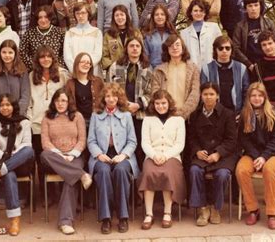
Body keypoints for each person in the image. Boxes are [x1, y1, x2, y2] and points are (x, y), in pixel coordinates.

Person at [87, 83, 139, 234]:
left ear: (119, 98)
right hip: (101, 155)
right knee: (103, 173)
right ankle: (106, 218)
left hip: (122, 155)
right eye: (108, 96)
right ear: (104, 98)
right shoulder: (96, 115)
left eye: (114, 96)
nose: (111, 99)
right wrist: (98, 154)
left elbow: (132, 141)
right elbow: (91, 140)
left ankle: (123, 216)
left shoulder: (126, 115)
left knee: (121, 171)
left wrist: (123, 155)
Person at [0, 94, 34, 236]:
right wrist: (6, 158)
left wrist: (12, 157)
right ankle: (14, 220)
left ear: (13, 106)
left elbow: (27, 144)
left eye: (8, 104)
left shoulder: (24, 123)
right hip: (1, 161)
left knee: (29, 150)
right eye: (2, 105)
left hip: (21, 162)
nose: (5, 107)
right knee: (8, 174)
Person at [40, 88, 92, 235]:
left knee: (71, 179)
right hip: (54, 158)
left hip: (74, 156)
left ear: (69, 102)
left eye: (63, 100)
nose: (60, 103)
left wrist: (72, 154)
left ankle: (65, 222)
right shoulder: (47, 118)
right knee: (44, 155)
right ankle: (82, 174)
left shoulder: (77, 116)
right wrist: (61, 156)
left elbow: (82, 140)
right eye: (57, 100)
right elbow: (45, 142)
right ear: (53, 102)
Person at [185, 83, 237, 226]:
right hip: (203, 154)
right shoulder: (195, 115)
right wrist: (197, 151)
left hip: (223, 156)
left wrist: (218, 153)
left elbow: (232, 140)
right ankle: (203, 209)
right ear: (201, 96)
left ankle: (215, 208)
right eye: (205, 94)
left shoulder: (227, 114)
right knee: (194, 170)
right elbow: (192, 137)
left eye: (212, 94)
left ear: (217, 96)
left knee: (222, 174)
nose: (208, 97)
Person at [235, 82, 275, 230]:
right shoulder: (245, 115)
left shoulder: (273, 114)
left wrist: (264, 157)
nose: (256, 99)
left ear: (265, 97)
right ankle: (253, 210)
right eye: (253, 96)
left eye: (260, 95)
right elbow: (244, 140)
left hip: (274, 154)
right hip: (253, 154)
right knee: (241, 170)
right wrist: (257, 156)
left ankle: (272, 213)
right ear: (249, 97)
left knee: (269, 170)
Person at [139, 90, 186, 230]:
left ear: (169, 103)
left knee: (167, 173)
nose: (161, 106)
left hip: (172, 156)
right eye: (157, 103)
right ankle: (149, 214)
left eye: (164, 103)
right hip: (152, 155)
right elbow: (145, 142)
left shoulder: (179, 120)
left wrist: (165, 156)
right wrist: (154, 156)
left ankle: (167, 212)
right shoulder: (148, 120)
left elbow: (179, 144)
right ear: (153, 104)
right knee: (148, 173)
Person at [27, 45, 69, 192]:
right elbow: (29, 102)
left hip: (57, 123)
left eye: (48, 56)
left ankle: (63, 190)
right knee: (41, 160)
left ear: (53, 58)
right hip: (37, 124)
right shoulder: (32, 76)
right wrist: (30, 119)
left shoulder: (62, 74)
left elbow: (67, 99)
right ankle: (47, 193)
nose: (46, 59)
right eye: (42, 57)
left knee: (60, 157)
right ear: (38, 60)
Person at [107, 36, 152, 167]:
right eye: (131, 46)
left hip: (140, 115)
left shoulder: (147, 68)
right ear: (126, 48)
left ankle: (139, 181)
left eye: (137, 46)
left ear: (141, 49)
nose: (134, 49)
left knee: (139, 149)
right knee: (122, 147)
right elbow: (109, 89)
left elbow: (152, 93)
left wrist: (138, 104)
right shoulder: (116, 67)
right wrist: (124, 104)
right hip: (120, 114)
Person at [232, 0, 275, 75]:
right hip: (249, 65)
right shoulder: (240, 26)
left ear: (260, 6)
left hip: (267, 62)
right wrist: (248, 64)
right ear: (246, 8)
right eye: (250, 6)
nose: (253, 8)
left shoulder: (269, 23)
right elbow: (235, 48)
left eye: (256, 5)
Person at [151, 34, 200, 120]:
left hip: (188, 117)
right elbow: (155, 93)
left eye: (177, 45)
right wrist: (167, 113)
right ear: (167, 49)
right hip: (165, 117)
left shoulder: (193, 69)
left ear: (183, 47)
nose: (174, 48)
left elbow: (195, 93)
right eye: (171, 46)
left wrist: (182, 113)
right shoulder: (159, 70)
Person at [200, 35, 249, 115]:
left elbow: (246, 93)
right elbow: (202, 93)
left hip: (236, 113)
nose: (224, 51)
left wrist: (243, 113)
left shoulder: (241, 68)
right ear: (215, 50)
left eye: (227, 48)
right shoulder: (206, 69)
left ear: (231, 50)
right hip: (214, 114)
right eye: (220, 48)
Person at [0, 40, 30, 119]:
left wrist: (17, 114)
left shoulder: (22, 71)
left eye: (10, 52)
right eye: (4, 52)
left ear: (15, 54)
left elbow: (25, 95)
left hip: (18, 116)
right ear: (0, 53)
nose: (7, 55)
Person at [20, 5, 66, 71]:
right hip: (35, 71)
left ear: (50, 18)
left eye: (46, 17)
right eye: (40, 17)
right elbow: (23, 53)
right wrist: (35, 66)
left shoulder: (59, 32)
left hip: (56, 70)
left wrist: (56, 66)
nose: (43, 20)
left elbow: (65, 52)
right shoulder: (29, 33)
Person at [180, 0, 222, 69]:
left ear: (205, 13)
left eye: (201, 11)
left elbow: (220, 48)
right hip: (192, 70)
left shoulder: (214, 27)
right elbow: (183, 55)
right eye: (195, 11)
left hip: (212, 68)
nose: (198, 13)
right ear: (191, 12)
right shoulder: (184, 33)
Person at [65, 52, 105, 127]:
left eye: (88, 63)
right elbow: (68, 104)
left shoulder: (98, 81)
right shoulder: (70, 83)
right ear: (77, 64)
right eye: (83, 62)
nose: (86, 64)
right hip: (78, 123)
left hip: (97, 122)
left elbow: (105, 100)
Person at [64, 2, 103, 75]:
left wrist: (86, 67)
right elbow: (67, 55)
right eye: (77, 13)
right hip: (75, 72)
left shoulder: (97, 32)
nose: (80, 16)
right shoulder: (69, 33)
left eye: (83, 13)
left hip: (92, 71)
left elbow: (97, 54)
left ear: (88, 14)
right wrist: (75, 70)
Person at [102, 5, 142, 71]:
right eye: (117, 15)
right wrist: (112, 67)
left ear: (126, 16)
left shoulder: (136, 33)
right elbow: (104, 55)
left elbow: (142, 51)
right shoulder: (108, 35)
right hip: (115, 71)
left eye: (122, 14)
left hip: (133, 69)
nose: (119, 17)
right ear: (113, 18)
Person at [142, 4, 177, 68]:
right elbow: (145, 57)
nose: (159, 17)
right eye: (156, 14)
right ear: (153, 17)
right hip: (153, 70)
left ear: (166, 16)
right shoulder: (147, 35)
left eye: (162, 14)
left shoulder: (172, 33)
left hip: (170, 70)